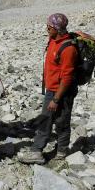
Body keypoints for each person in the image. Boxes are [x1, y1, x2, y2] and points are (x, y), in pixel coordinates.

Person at [18, 13, 78, 164]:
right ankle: (44, 150)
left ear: (57, 29)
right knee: (48, 120)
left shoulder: (68, 49)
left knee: (60, 121)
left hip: (62, 93)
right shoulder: (53, 40)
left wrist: (56, 99)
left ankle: (58, 151)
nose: (47, 29)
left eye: (49, 27)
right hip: (52, 89)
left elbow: (67, 77)